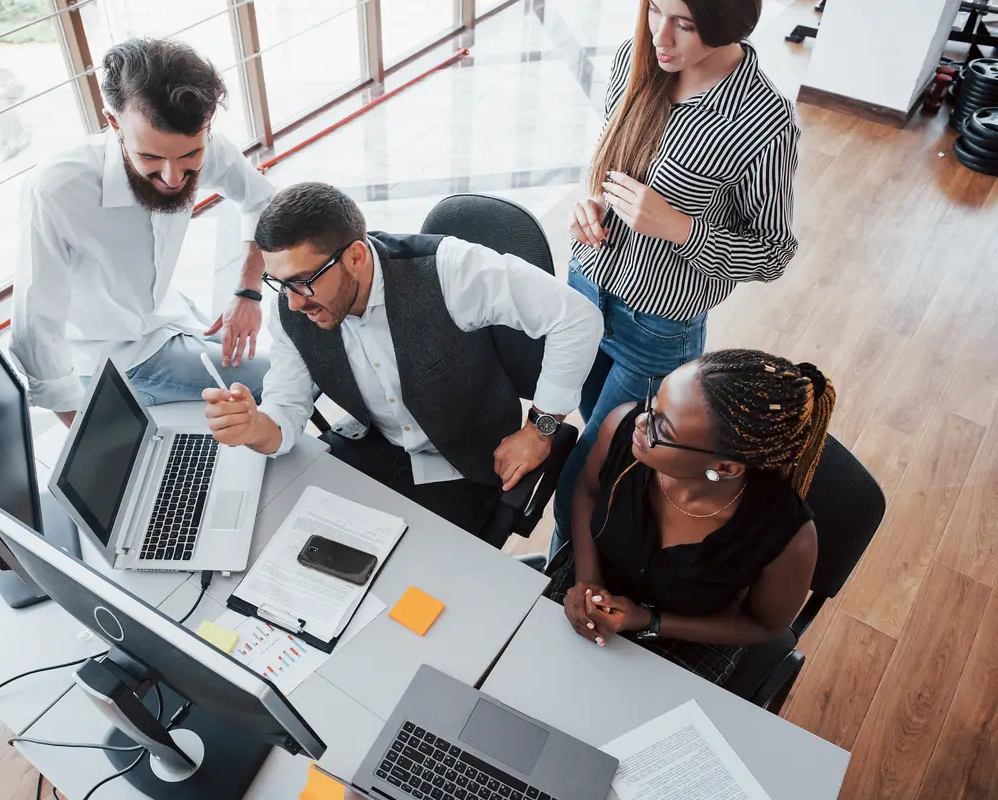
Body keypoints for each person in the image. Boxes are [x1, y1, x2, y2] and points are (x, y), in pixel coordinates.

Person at [202, 182, 602, 539]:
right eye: (280, 283)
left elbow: (578, 318)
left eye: (304, 281)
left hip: (465, 462)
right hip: (372, 445)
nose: (292, 301)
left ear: (356, 256)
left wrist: (540, 429)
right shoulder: (291, 307)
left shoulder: (450, 271)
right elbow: (286, 409)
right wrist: (256, 428)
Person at [554, 0, 801, 551]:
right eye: (655, 10)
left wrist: (682, 229)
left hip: (655, 329)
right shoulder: (636, 61)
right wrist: (590, 204)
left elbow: (773, 252)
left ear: (726, 24)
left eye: (684, 25)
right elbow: (611, 167)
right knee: (605, 448)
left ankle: (559, 596)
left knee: (579, 483)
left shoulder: (763, 122)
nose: (660, 36)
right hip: (586, 292)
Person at [11, 38, 275, 426]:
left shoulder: (205, 144)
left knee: (293, 362)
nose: (172, 178)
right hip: (115, 358)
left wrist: (248, 292)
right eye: (151, 157)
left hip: (169, 316)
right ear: (114, 123)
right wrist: (88, 433)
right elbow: (35, 331)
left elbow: (262, 202)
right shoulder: (57, 191)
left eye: (190, 158)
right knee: (281, 379)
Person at [547, 350, 834, 685]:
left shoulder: (788, 536)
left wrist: (647, 620)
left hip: (690, 632)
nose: (642, 421)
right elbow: (588, 491)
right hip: (595, 575)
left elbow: (764, 624)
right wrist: (587, 583)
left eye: (662, 428)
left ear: (725, 468)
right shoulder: (623, 428)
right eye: (655, 400)